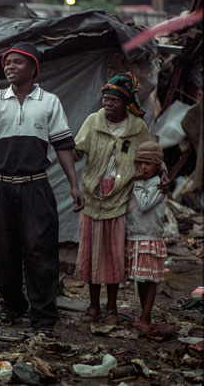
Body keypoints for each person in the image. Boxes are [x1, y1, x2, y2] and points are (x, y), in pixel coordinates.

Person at [0, 42, 84, 339]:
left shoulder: (48, 102)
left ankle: (43, 318)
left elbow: (63, 146)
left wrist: (75, 185)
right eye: (7, 63)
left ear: (33, 68)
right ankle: (13, 307)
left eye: (17, 63)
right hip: (0, 187)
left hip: (36, 186)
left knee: (41, 252)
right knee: (2, 252)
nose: (9, 66)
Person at [73, 72, 167, 326]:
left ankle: (112, 308)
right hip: (93, 198)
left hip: (120, 199)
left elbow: (152, 154)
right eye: (105, 99)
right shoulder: (93, 121)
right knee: (92, 255)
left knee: (114, 257)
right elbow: (77, 150)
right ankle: (93, 307)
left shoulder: (137, 128)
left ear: (126, 102)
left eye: (113, 100)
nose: (107, 104)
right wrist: (62, 152)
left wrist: (164, 171)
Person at [125, 141, 167, 326]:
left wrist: (139, 182)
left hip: (149, 237)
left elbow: (143, 205)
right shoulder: (138, 182)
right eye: (139, 163)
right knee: (141, 279)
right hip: (136, 236)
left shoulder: (158, 184)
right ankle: (145, 315)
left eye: (147, 164)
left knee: (150, 280)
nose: (142, 167)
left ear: (158, 166)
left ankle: (145, 316)